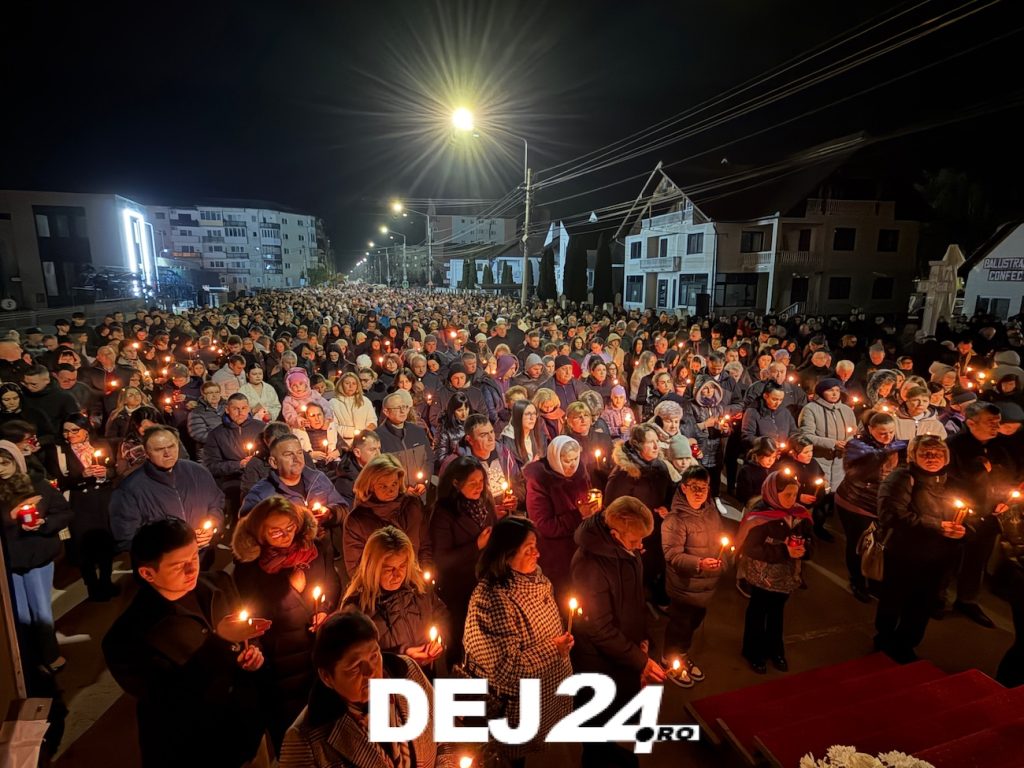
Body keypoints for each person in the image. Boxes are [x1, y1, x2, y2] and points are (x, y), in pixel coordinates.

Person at [103, 518, 269, 768]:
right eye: (179, 565)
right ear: (147, 573)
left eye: (194, 557)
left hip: (247, 730)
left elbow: (248, 635)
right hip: (193, 748)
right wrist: (219, 641)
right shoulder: (126, 637)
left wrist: (254, 651)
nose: (192, 570)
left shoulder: (219, 583)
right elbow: (169, 700)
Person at [463, 516, 573, 768]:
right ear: (506, 555)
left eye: (536, 546)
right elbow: (506, 669)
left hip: (538, 698)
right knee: (504, 761)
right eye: (528, 549)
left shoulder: (538, 581)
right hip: (510, 707)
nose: (537, 554)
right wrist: (554, 649)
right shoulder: (491, 600)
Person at [278, 611, 455, 768]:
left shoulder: (407, 672)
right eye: (355, 666)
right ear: (327, 677)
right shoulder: (305, 740)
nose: (370, 671)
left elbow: (442, 732)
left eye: (374, 656)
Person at [231, 496, 340, 750]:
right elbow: (251, 617)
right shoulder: (249, 568)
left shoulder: (315, 547)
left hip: (318, 654)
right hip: (281, 665)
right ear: (260, 532)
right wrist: (289, 588)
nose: (286, 535)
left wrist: (324, 610)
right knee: (293, 741)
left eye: (290, 527)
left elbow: (332, 583)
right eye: (276, 531)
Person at [570, 495, 663, 768]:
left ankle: (610, 753)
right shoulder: (589, 565)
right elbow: (599, 628)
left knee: (614, 718)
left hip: (621, 651)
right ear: (614, 534)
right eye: (634, 540)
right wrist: (640, 661)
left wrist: (642, 638)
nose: (639, 545)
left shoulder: (623, 549)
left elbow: (633, 598)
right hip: (597, 661)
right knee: (597, 722)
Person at [874, 436, 965, 663]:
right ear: (913, 456)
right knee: (894, 599)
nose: (932, 458)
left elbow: (967, 512)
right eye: (926, 453)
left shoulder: (951, 481)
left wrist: (963, 529)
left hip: (936, 557)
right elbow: (891, 515)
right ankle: (884, 639)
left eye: (938, 454)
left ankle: (907, 644)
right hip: (903, 554)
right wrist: (937, 526)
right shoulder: (901, 479)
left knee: (922, 603)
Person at [0, 439, 73, 672]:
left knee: (41, 611)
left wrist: (44, 523)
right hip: (8, 561)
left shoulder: (38, 485)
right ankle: (28, 660)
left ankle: (50, 655)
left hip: (37, 557)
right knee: (20, 614)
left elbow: (63, 512)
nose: (1, 469)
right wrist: (11, 519)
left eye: (5, 463)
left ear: (16, 461)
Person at [945, 401, 1016, 627]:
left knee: (977, 560)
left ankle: (967, 600)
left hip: (990, 514)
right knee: (947, 557)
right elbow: (948, 478)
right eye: (990, 422)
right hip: (958, 513)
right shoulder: (954, 445)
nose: (996, 426)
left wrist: (1005, 500)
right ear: (971, 423)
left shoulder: (1001, 446)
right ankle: (936, 597)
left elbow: (1010, 476)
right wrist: (978, 470)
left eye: (997, 421)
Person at [109, 426, 225, 561]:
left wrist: (212, 527)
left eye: (171, 446)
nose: (167, 453)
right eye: (159, 449)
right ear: (146, 453)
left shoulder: (198, 472)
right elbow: (126, 536)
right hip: (162, 564)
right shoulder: (129, 489)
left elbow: (216, 504)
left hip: (202, 557)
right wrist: (169, 546)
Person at [737, 471, 813, 674]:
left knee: (777, 613)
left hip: (787, 577)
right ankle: (753, 651)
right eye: (787, 494)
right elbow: (750, 548)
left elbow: (809, 539)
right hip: (763, 578)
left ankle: (775, 650)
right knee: (758, 612)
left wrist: (804, 550)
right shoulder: (759, 517)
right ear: (773, 492)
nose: (792, 499)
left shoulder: (800, 514)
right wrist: (784, 551)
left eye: (794, 495)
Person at [342, 526, 448, 669]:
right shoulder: (356, 607)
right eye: (389, 569)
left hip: (424, 675)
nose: (398, 575)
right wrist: (402, 658)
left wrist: (439, 641)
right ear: (373, 568)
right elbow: (355, 658)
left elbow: (441, 615)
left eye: (402, 566)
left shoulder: (418, 588)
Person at [430, 455, 502, 664]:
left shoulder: (485, 502)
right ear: (456, 483)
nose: (479, 487)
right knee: (461, 640)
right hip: (459, 590)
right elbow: (442, 560)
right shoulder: (444, 512)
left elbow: (494, 529)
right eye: (472, 483)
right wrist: (475, 546)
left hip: (486, 582)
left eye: (481, 481)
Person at [662, 466, 727, 687]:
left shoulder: (711, 511)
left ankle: (681, 655)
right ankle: (670, 660)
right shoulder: (675, 519)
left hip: (706, 585)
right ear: (683, 488)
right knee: (680, 625)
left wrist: (723, 559)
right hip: (684, 586)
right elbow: (672, 555)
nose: (699, 493)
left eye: (704, 487)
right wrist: (699, 563)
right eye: (694, 487)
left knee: (693, 623)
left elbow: (719, 538)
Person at [50, 414, 119, 601]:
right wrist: (82, 475)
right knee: (83, 545)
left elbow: (114, 468)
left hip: (102, 499)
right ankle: (92, 585)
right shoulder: (59, 451)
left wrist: (105, 473)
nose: (70, 434)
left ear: (86, 430)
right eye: (66, 431)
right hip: (79, 501)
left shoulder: (101, 445)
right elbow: (58, 481)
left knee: (105, 542)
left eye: (75, 430)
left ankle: (106, 580)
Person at [523, 435, 598, 600]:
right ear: (555, 458)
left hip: (582, 547)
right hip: (557, 556)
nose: (572, 465)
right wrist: (579, 515)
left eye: (575, 458)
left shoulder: (580, 472)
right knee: (565, 597)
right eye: (567, 460)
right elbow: (544, 525)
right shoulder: (539, 481)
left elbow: (587, 499)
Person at [343, 453, 431, 576]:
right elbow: (356, 568)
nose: (390, 490)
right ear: (370, 486)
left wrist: (424, 571)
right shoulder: (357, 521)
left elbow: (425, 544)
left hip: (416, 581)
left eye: (394, 484)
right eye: (383, 486)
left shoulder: (412, 505)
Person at [202, 393, 266, 524]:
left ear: (249, 409)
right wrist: (239, 465)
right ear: (227, 409)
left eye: (244, 408)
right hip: (233, 479)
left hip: (261, 476)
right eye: (235, 408)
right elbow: (211, 466)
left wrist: (256, 463)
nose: (240, 412)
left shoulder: (261, 428)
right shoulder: (217, 434)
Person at [372, 389, 433, 489]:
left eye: (404, 407)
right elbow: (378, 470)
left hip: (419, 492)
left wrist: (423, 482)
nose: (403, 411)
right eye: (397, 408)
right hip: (394, 494)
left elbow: (429, 459)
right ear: (386, 411)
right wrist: (401, 488)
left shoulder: (417, 432)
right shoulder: (377, 437)